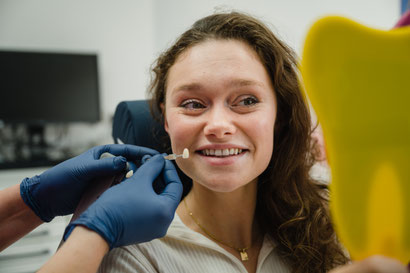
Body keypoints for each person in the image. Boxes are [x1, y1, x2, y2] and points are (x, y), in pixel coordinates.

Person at [97, 11, 409, 273]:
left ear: (279, 115)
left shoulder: (335, 221)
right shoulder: (137, 254)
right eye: (193, 104)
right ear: (166, 120)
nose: (219, 126)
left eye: (246, 100)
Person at [0, 144, 183, 273]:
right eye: (193, 104)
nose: (213, 125)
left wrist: (31, 199)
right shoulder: (129, 257)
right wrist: (101, 227)